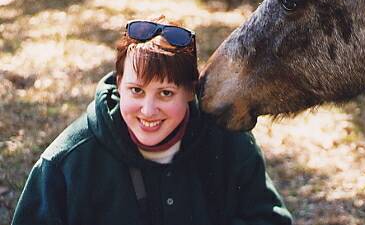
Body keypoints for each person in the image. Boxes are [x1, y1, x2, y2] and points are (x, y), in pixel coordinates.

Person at [11, 16, 293, 225]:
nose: (148, 110)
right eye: (136, 91)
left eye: (166, 93)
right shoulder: (65, 162)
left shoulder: (230, 142)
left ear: (189, 91)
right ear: (119, 84)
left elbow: (270, 219)